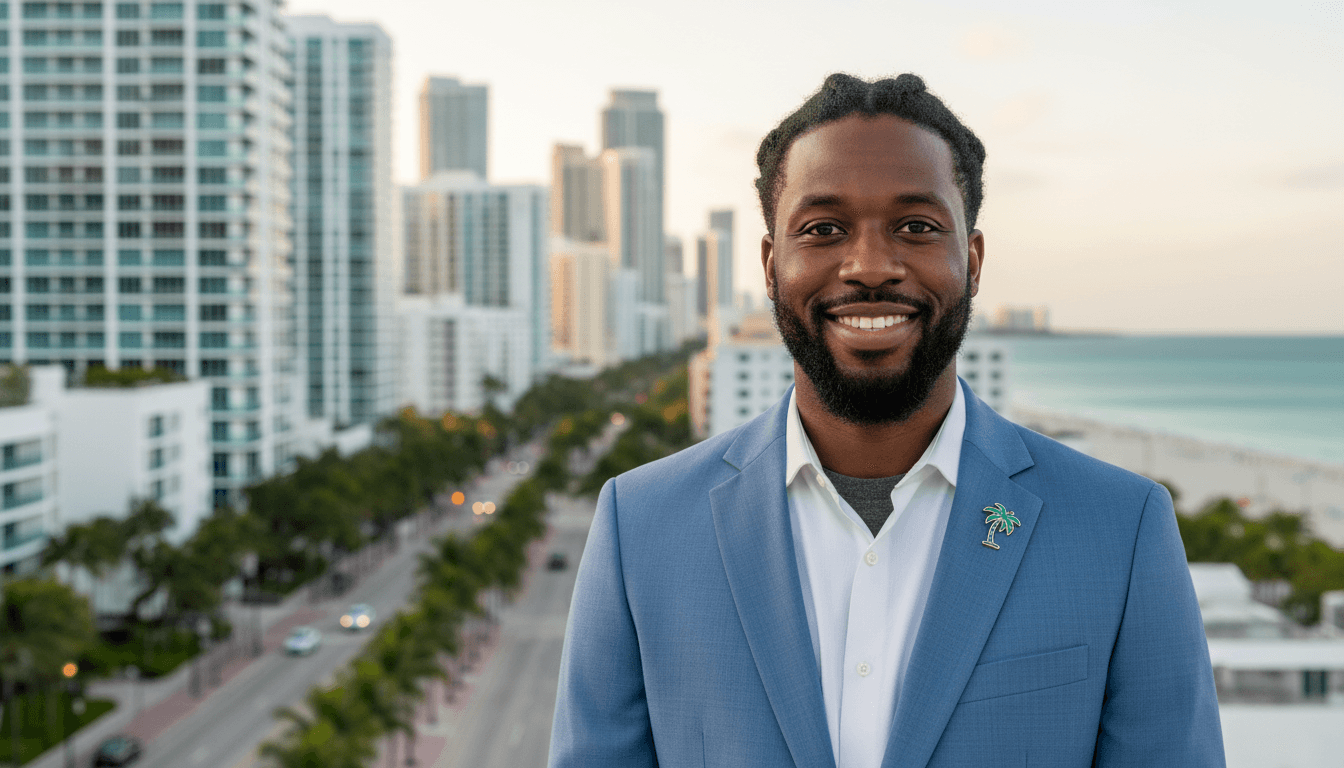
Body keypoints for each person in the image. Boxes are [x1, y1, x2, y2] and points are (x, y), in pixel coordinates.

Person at [549, 73, 1224, 768]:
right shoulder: (642, 525)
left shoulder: (1121, 527)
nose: (870, 266)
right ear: (771, 264)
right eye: (823, 229)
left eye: (916, 227)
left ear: (973, 258)